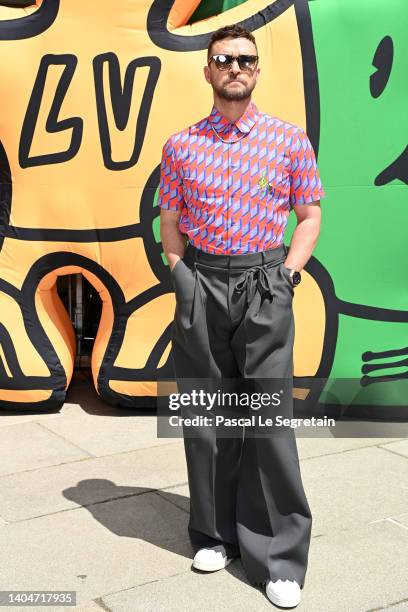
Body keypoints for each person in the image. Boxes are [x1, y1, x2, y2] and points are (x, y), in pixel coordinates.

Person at [158, 24, 325, 608]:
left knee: (267, 421)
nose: (235, 67)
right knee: (206, 415)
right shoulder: (180, 146)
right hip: (201, 282)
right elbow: (171, 221)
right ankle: (212, 533)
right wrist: (182, 276)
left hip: (264, 284)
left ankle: (280, 557)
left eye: (245, 60)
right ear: (207, 70)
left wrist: (289, 273)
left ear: (257, 71)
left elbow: (308, 214)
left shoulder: (288, 140)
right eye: (223, 59)